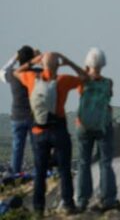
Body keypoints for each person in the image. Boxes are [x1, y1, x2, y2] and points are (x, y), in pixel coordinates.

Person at [14, 52, 87, 215]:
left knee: (40, 172)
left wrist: (33, 61)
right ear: (57, 65)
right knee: (64, 169)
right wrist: (69, 61)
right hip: (58, 130)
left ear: (43, 64)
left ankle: (39, 208)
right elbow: (85, 77)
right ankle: (68, 204)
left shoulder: (32, 79)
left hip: (38, 132)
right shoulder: (63, 80)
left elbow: (16, 72)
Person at [75, 48, 117, 211]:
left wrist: (85, 69)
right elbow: (109, 95)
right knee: (105, 162)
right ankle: (108, 198)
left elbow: (82, 86)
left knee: (83, 162)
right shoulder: (108, 82)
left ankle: (82, 199)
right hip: (103, 124)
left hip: (83, 125)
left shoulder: (82, 82)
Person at [1, 46, 39, 175]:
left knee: (17, 147)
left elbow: (2, 71)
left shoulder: (13, 74)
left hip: (17, 116)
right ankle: (38, 171)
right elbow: (50, 69)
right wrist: (38, 58)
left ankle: (15, 173)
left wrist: (14, 57)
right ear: (32, 59)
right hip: (34, 116)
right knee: (37, 147)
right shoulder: (36, 73)